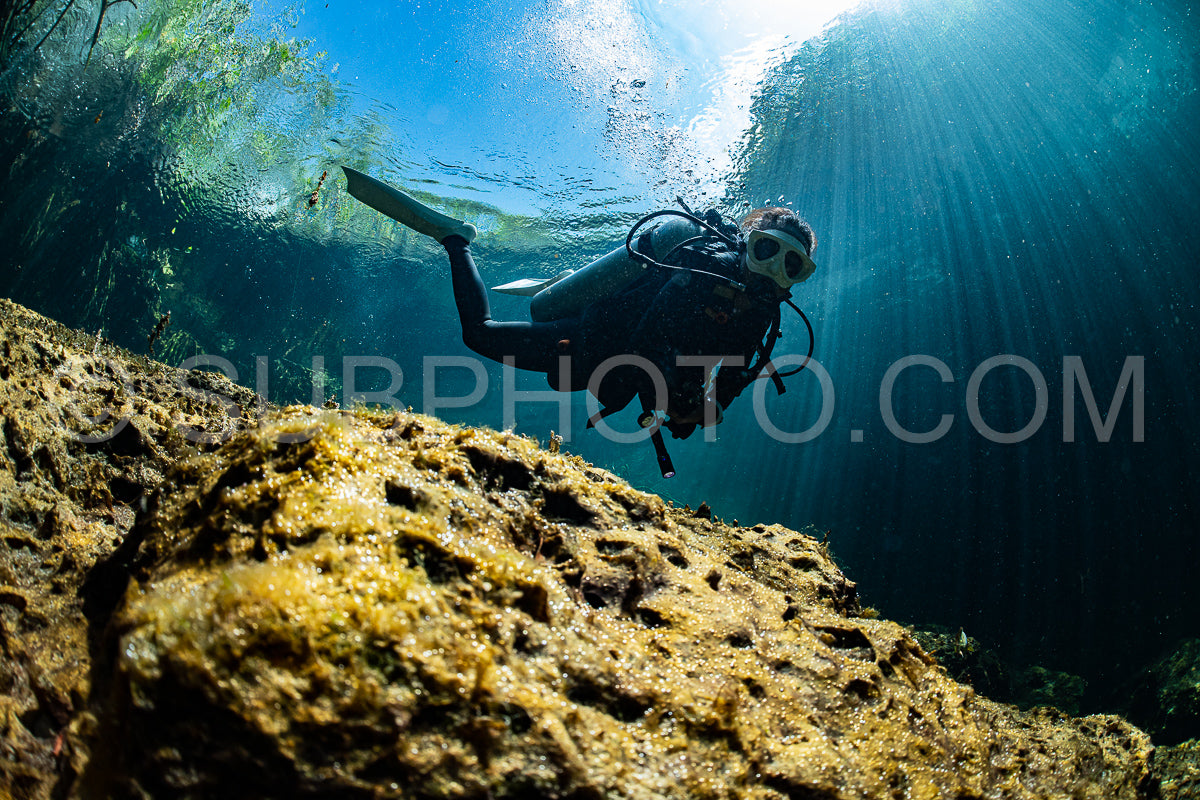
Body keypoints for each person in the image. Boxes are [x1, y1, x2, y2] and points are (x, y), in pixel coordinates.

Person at [342, 167, 817, 473]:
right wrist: (671, 398)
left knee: (580, 384)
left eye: (790, 265)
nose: (773, 268)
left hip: (613, 363)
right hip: (597, 336)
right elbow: (651, 337)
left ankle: (567, 282)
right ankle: (456, 239)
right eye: (766, 250)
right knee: (479, 335)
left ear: (798, 279)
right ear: (747, 245)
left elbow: (729, 382)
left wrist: (699, 410)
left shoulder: (763, 315)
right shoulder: (700, 268)